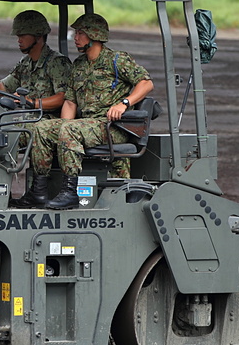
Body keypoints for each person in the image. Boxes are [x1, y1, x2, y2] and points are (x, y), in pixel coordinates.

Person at [29, 13, 154, 210]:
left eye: (80, 33)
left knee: (69, 131)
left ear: (94, 35)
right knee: (42, 128)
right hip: (87, 126)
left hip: (112, 127)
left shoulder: (116, 60)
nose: (75, 37)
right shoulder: (79, 65)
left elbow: (146, 83)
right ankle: (39, 191)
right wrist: (62, 126)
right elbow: (70, 102)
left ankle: (70, 191)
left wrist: (124, 103)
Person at [0, 10, 71, 208]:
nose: (18, 40)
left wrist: (34, 103)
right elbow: (3, 87)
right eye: (18, 35)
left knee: (4, 136)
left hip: (46, 120)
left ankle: (33, 191)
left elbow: (63, 97)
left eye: (22, 35)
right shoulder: (25, 64)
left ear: (37, 37)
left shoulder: (56, 63)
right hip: (27, 118)